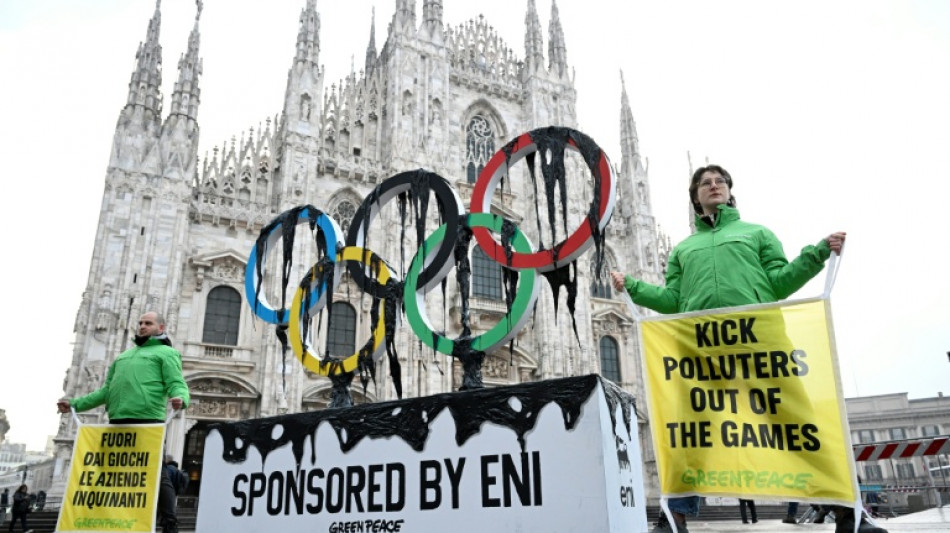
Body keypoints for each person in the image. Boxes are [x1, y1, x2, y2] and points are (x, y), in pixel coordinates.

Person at [611, 164, 849, 533]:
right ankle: (673, 520)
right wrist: (633, 287)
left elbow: (780, 281)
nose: (714, 186)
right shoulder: (684, 250)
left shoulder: (756, 233)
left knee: (799, 427)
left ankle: (848, 514)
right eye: (705, 183)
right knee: (689, 435)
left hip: (761, 344)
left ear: (729, 190)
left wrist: (817, 253)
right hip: (703, 350)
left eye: (719, 181)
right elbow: (673, 299)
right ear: (696, 196)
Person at [57, 311, 190, 533]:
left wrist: (181, 399)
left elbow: (177, 383)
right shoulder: (123, 357)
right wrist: (75, 404)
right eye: (140, 323)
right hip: (118, 419)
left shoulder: (167, 353)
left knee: (155, 471)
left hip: (148, 421)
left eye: (148, 323)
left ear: (161, 328)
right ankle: (107, 519)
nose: (142, 326)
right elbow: (106, 392)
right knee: (108, 471)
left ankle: (169, 521)